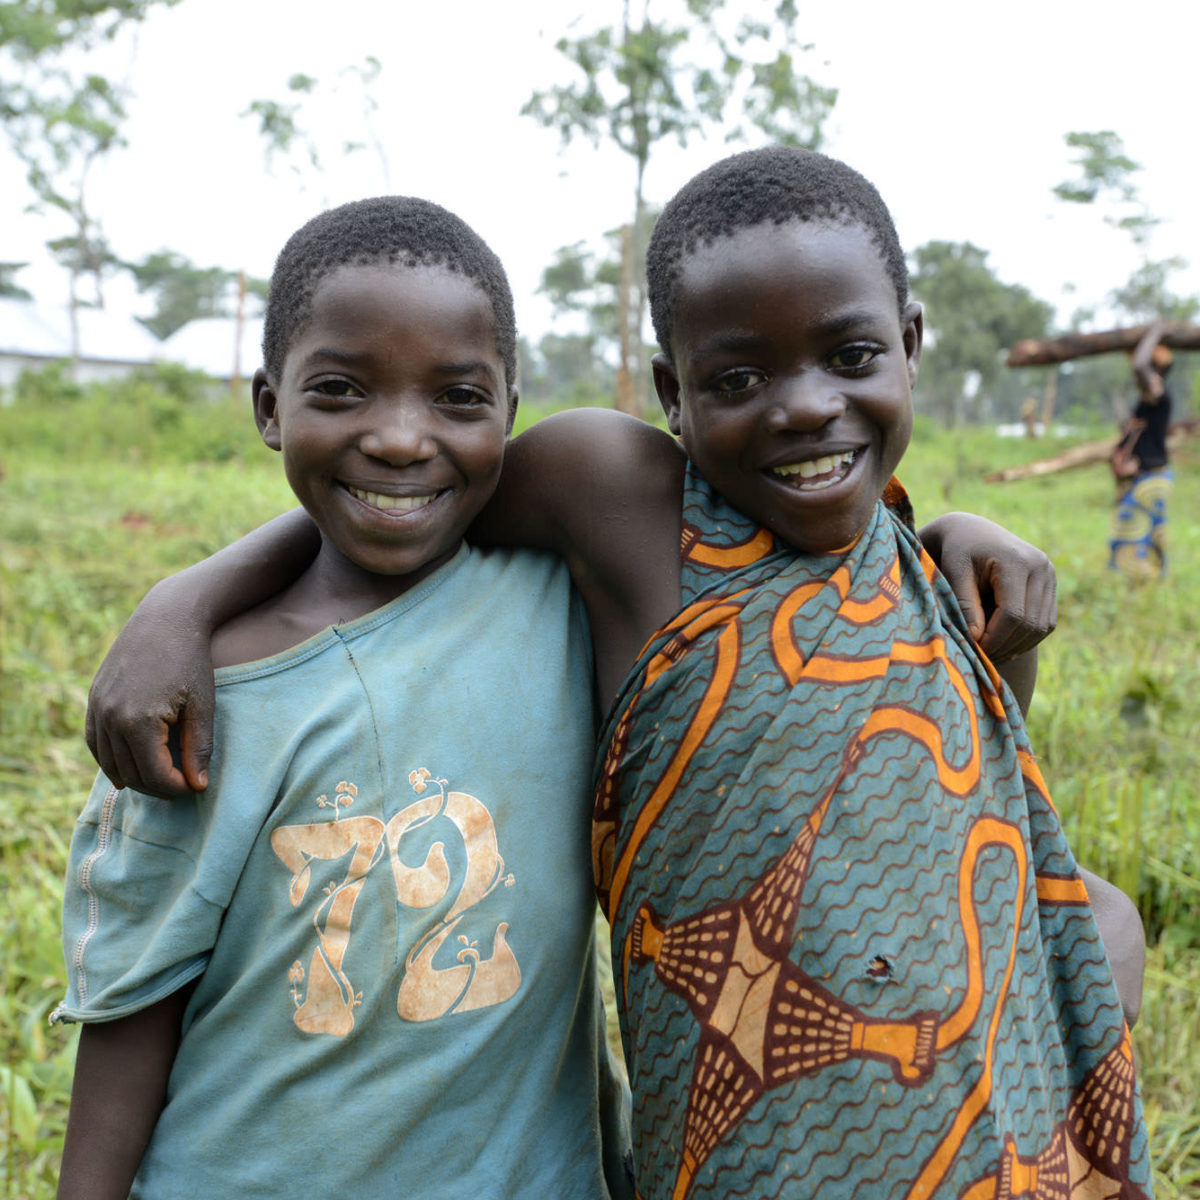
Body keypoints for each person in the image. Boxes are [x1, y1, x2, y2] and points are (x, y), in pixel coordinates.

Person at [84, 159, 1145, 1197]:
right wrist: (183, 601)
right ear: (672, 393)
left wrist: (978, 568)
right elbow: (412, 492)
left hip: (970, 1138)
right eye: (739, 379)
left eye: (853, 356)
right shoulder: (618, 502)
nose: (805, 407)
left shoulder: (930, 573)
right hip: (742, 1145)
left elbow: (971, 779)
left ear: (909, 345)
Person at [54, 197, 632, 1200]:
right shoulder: (207, 696)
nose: (401, 439)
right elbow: (133, 1009)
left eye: (458, 397)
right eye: (339, 390)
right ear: (269, 407)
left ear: (510, 409)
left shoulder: (561, 596)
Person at [1110, 318, 1173, 578]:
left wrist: (1156, 330)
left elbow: (1140, 364)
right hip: (1141, 477)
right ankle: (1140, 584)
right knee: (1136, 534)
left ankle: (1143, 584)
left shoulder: (1161, 397)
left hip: (1151, 477)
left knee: (1136, 536)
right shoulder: (1146, 404)